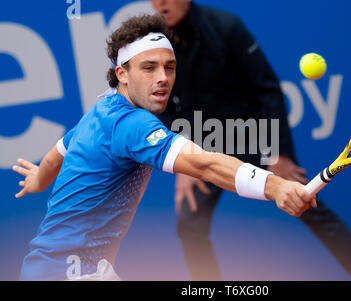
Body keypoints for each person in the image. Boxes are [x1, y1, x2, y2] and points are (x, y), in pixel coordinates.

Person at [12, 14, 316, 281]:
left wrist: (39, 178)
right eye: (149, 68)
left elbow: (57, 154)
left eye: (169, 67)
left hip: (47, 268)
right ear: (122, 74)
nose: (162, 79)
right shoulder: (132, 125)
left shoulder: (100, 112)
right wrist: (276, 187)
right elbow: (204, 164)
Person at [151, 0, 351, 281]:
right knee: (189, 226)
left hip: (253, 136)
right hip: (202, 146)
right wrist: (184, 161)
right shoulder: (157, 44)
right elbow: (163, 107)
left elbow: (267, 89)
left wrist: (279, 153)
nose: (160, 3)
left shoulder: (226, 26)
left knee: (306, 204)